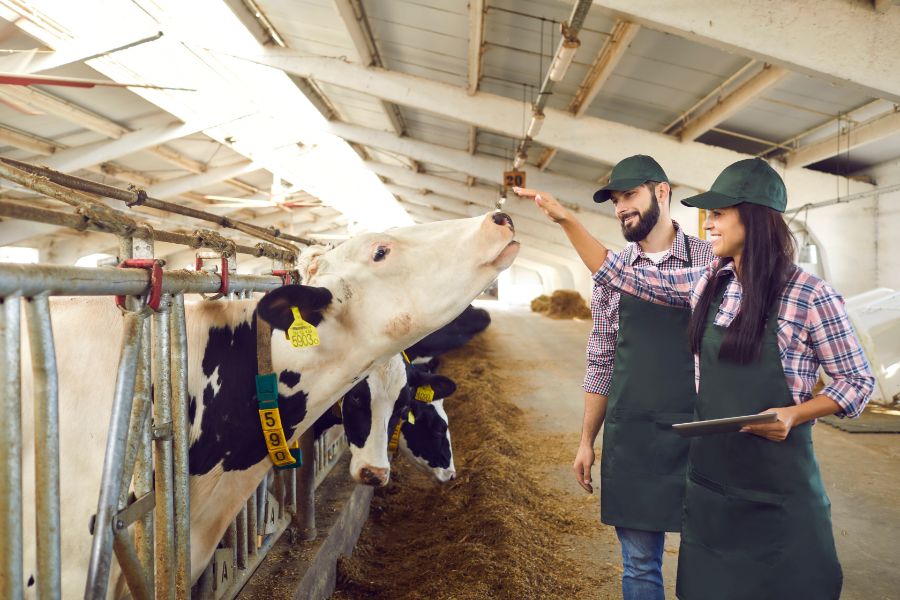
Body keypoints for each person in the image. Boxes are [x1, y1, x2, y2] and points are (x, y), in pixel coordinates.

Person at [514, 157, 875, 600]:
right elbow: (618, 275)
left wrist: (796, 414)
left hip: (776, 478)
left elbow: (857, 382)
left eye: (719, 214)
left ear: (756, 219)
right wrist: (566, 220)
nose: (710, 224)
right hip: (713, 468)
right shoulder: (710, 283)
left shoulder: (810, 295)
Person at [573, 155, 713, 600]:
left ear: (662, 192)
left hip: (702, 432)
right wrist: (585, 441)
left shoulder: (711, 261)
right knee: (638, 566)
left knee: (706, 558)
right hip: (633, 435)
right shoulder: (609, 274)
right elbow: (600, 360)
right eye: (615, 201)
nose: (620, 209)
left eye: (629, 195)